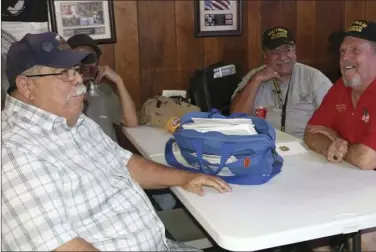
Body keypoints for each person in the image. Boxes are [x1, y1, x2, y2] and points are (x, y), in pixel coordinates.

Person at [1, 32, 231, 251]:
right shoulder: (14, 153)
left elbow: (126, 164)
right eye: (64, 73)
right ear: (26, 86)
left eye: (75, 70)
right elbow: (60, 247)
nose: (78, 79)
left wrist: (186, 177)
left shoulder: (75, 122)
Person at [304, 20, 376, 251]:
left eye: (355, 50)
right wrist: (330, 146)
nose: (345, 58)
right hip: (359, 187)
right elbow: (310, 133)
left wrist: (340, 143)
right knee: (310, 217)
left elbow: (367, 159)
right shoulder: (343, 86)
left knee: (364, 236)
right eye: (342, 52)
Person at [230, 26, 332, 139]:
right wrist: (256, 80)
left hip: (304, 147)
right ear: (265, 56)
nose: (283, 57)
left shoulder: (314, 78)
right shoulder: (254, 76)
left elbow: (334, 121)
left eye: (287, 50)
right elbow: (235, 118)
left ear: (294, 51)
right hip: (262, 146)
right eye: (275, 52)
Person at [67, 34, 138, 142]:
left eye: (89, 59)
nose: (84, 65)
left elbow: (131, 122)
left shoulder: (103, 91)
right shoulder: (60, 93)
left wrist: (119, 81)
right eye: (79, 58)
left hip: (110, 155)